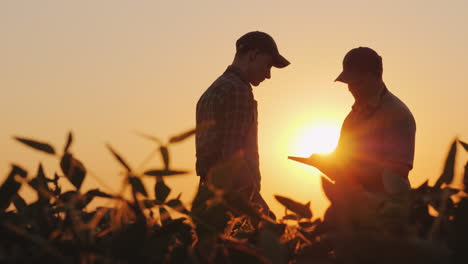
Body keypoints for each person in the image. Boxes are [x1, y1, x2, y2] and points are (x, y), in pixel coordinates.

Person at [195, 31, 290, 213]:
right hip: (233, 204)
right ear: (253, 55)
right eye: (268, 65)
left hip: (208, 198)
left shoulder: (210, 92)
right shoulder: (238, 91)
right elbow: (233, 158)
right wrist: (259, 207)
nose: (268, 75)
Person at [309, 47, 416, 195]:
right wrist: (325, 163)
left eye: (358, 82)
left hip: (385, 211)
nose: (352, 88)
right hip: (352, 208)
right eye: (349, 83)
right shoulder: (351, 118)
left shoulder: (396, 114)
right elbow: (342, 165)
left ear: (377, 76)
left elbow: (397, 171)